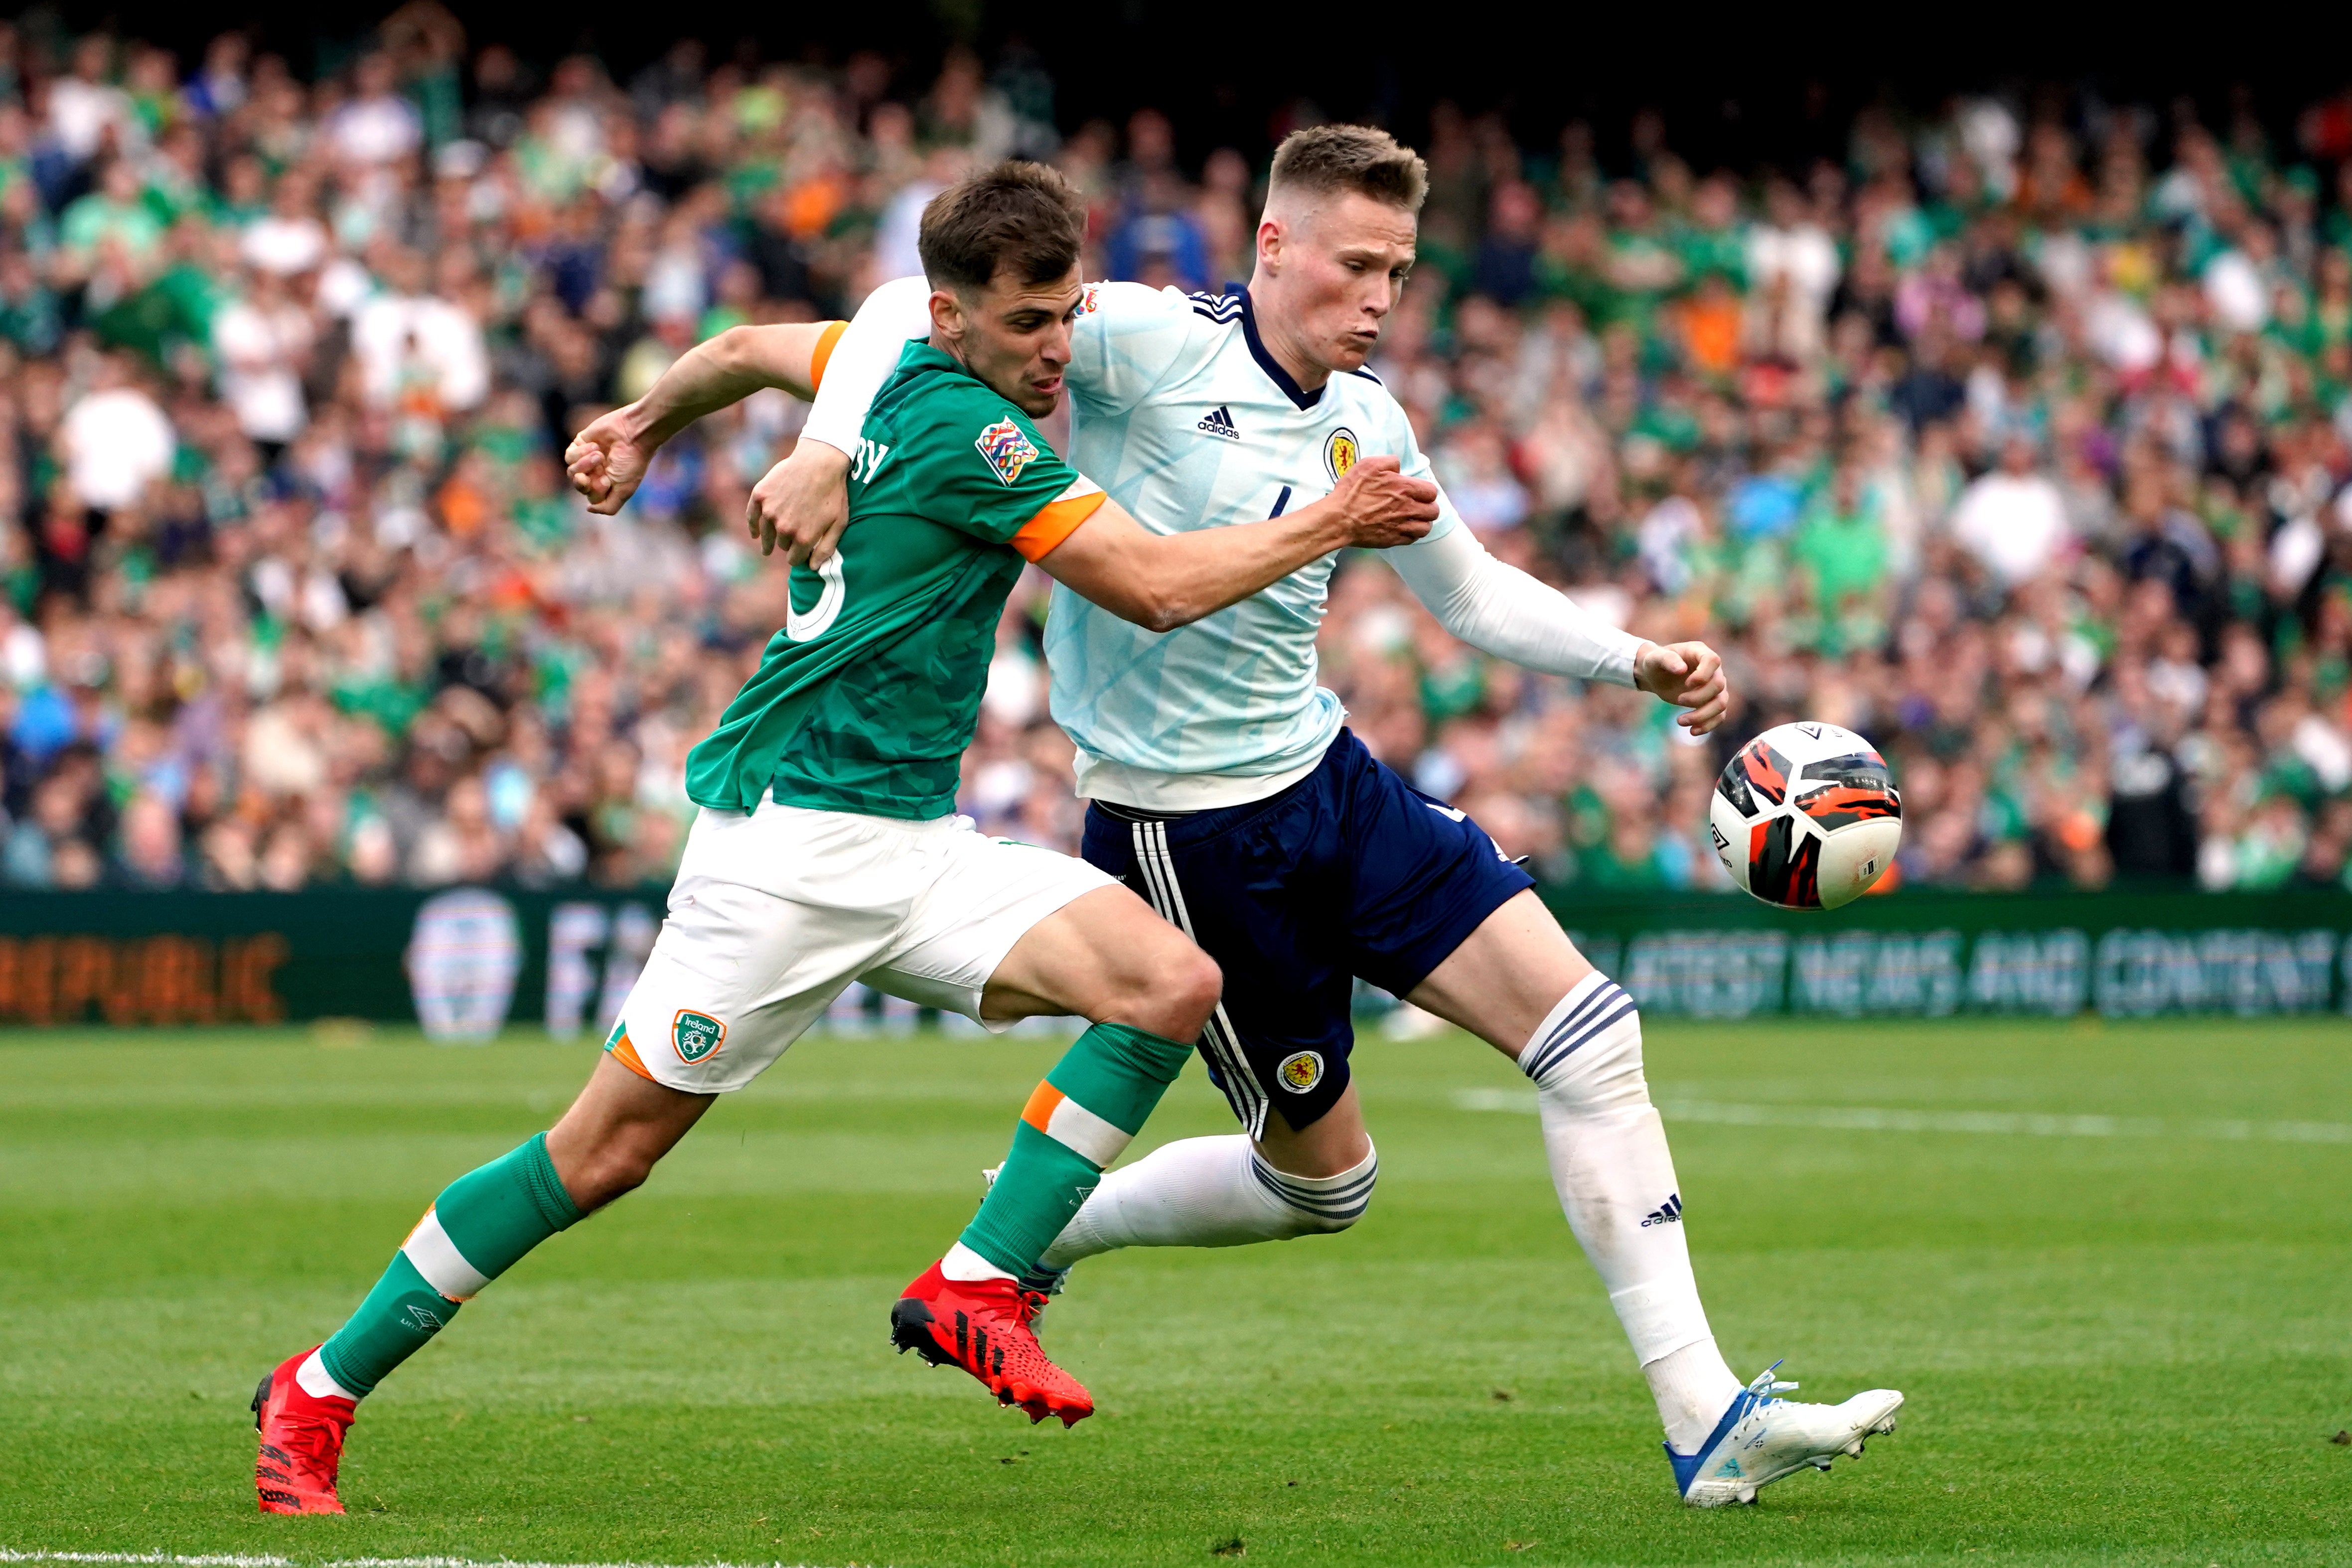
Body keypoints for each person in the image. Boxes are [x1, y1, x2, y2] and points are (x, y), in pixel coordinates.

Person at [252, 160, 1440, 1517]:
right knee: (601, 1157)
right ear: (949, 316)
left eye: (1066, 315)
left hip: (917, 842)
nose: (1058, 350)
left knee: (1169, 982)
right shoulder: (971, 434)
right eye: (1027, 324)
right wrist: (1336, 519)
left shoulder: (879, 373)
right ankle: (318, 1388)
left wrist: (641, 424)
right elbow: (1155, 589)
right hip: (784, 859)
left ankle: (978, 1284)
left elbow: (743, 349)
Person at [750, 126, 1904, 1507]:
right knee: (1324, 1190)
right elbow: (904, 305)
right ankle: (1047, 1222)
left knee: (1594, 1038)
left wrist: (1632, 656)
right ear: (1274, 244)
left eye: (1399, 272)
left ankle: (1707, 1419)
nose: (1378, 297)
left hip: (1330, 783)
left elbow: (1468, 591)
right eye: (1355, 264)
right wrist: (825, 447)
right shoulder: (1145, 341)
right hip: (1190, 837)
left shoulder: (1370, 419)